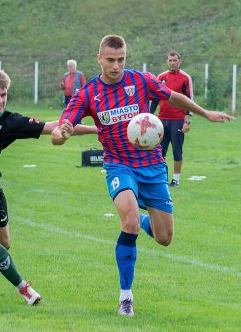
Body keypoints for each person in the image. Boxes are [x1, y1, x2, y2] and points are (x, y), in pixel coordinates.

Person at [51, 35, 234, 316]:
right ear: (99, 58)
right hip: (118, 166)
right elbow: (63, 126)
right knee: (129, 221)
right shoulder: (88, 93)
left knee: (164, 238)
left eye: (121, 59)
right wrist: (61, 132)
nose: (116, 65)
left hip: (152, 166)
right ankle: (126, 296)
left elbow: (174, 97)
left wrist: (205, 113)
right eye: (110, 60)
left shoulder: (140, 80)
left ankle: (143, 217)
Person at [0, 68, 97, 306]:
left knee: (4, 244)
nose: (0, 100)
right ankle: (24, 288)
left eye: (4, 95)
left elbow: (52, 126)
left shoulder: (10, 122)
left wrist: (98, 129)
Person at [150, 51, 194, 187]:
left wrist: (187, 120)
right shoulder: (161, 77)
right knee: (159, 151)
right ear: (167, 61)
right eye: (170, 60)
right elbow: (155, 99)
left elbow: (189, 100)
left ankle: (175, 179)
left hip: (178, 120)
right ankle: (161, 178)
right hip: (162, 120)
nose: (172, 62)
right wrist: (149, 115)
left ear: (179, 61)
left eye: (175, 60)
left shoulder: (185, 78)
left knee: (176, 150)